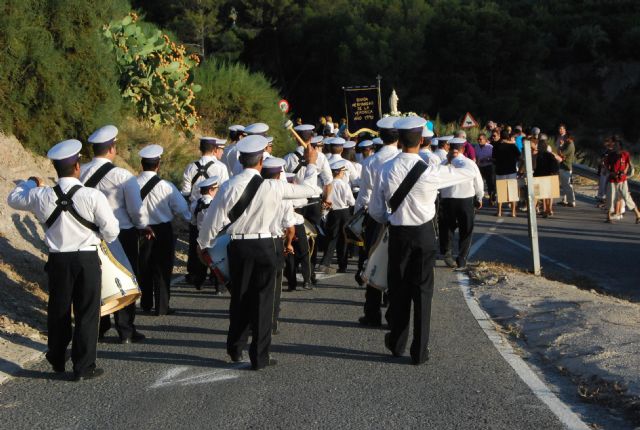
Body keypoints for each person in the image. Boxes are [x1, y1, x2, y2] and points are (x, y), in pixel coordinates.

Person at [198, 135, 321, 370]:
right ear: (261, 162)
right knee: (264, 301)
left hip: (239, 246)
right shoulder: (273, 186)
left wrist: (203, 244)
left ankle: (235, 348)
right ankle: (260, 357)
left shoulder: (228, 185)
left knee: (240, 298)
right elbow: (310, 189)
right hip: (267, 245)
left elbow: (213, 220)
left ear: (241, 160)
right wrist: (311, 163)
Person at [368, 116, 478, 364]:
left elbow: (375, 211)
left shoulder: (385, 169)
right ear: (421, 140)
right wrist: (456, 156)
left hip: (398, 234)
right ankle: (419, 351)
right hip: (425, 234)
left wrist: (389, 215)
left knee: (398, 290)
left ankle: (397, 343)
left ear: (399, 139)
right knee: (423, 292)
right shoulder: (431, 170)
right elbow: (469, 172)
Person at [8, 139, 119, 381]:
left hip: (58, 260)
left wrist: (30, 182)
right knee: (87, 313)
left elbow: (13, 199)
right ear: (77, 166)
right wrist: (100, 237)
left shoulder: (40, 195)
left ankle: (57, 357)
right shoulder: (92, 195)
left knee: (58, 309)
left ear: (56, 169)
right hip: (87, 259)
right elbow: (112, 230)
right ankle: (83, 366)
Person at [80, 125, 148, 344]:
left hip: (90, 234)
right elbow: (136, 209)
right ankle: (126, 329)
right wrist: (142, 226)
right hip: (122, 233)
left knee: (96, 280)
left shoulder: (80, 172)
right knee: (125, 278)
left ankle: (99, 327)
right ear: (111, 148)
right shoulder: (122, 175)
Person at [354, 116, 400, 327]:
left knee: (372, 262)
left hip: (375, 217)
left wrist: (360, 217)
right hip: (398, 217)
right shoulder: (401, 158)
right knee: (395, 265)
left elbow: (365, 194)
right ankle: (393, 312)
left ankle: (372, 313)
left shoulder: (370, 161)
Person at [137, 145, 191, 315]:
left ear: (141, 164)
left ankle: (145, 303)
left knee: (143, 266)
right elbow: (181, 207)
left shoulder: (132, 184)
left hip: (141, 229)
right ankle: (162, 306)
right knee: (163, 268)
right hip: (163, 229)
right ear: (158, 164)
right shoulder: (166, 186)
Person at [284, 125, 333, 281]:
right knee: (313, 238)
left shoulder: (288, 158)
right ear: (311, 138)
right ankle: (309, 274)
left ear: (294, 137)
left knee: (294, 238)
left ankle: (291, 274)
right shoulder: (321, 157)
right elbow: (328, 181)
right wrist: (326, 199)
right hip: (313, 202)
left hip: (295, 203)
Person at [182, 137, 229, 286]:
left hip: (196, 210)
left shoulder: (190, 167)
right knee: (215, 245)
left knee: (196, 244)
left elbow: (185, 192)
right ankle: (216, 277)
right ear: (215, 149)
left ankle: (197, 276)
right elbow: (226, 190)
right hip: (215, 212)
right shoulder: (221, 167)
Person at [439, 138, 484, 269]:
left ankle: (447, 254)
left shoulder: (443, 164)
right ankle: (462, 258)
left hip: (448, 200)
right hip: (466, 200)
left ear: (449, 148)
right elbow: (478, 182)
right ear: (463, 149)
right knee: (466, 230)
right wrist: (479, 197)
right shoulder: (470, 163)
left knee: (447, 228)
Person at [319, 159, 355, 273]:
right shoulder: (344, 185)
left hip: (332, 212)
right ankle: (342, 265)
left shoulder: (328, 185)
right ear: (340, 172)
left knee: (332, 238)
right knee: (344, 240)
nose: (344, 173)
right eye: (343, 171)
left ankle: (325, 262)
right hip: (344, 212)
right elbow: (352, 202)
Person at [283, 173, 313, 292]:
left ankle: (292, 283)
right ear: (293, 182)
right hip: (297, 225)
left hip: (284, 226)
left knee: (290, 255)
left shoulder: (280, 192)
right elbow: (305, 200)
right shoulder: (297, 193)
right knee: (304, 254)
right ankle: (307, 281)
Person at [189, 176, 220, 291]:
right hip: (212, 235)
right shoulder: (214, 204)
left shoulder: (195, 204)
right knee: (215, 259)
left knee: (201, 259)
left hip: (199, 234)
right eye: (217, 188)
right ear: (211, 190)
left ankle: (199, 281)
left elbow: (192, 220)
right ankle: (217, 285)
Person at [604, 140, 640, 224]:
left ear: (620, 146)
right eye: (614, 145)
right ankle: (608, 217)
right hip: (612, 179)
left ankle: (638, 215)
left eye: (616, 145)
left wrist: (625, 172)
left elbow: (628, 164)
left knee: (626, 197)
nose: (615, 146)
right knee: (610, 197)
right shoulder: (611, 155)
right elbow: (606, 165)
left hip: (622, 180)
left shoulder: (625, 154)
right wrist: (611, 173)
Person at [492, 130, 521, 217]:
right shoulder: (512, 146)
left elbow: (493, 158)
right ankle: (513, 212)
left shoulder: (496, 145)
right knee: (512, 192)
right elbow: (519, 156)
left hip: (500, 171)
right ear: (508, 136)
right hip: (511, 170)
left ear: (500, 136)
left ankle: (499, 212)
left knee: (501, 192)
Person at [533, 139, 560, 217]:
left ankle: (538, 210)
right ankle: (548, 210)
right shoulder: (550, 155)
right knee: (548, 195)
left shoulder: (537, 155)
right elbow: (556, 165)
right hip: (548, 176)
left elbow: (534, 166)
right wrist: (553, 173)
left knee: (537, 195)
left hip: (538, 177)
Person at [556, 132, 576, 207]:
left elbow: (561, 153)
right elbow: (560, 153)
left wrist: (560, 147)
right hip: (563, 166)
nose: (565, 139)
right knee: (565, 185)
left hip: (566, 167)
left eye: (566, 137)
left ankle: (572, 201)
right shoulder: (567, 144)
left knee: (568, 185)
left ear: (570, 138)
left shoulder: (570, 145)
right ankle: (567, 200)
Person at [474, 133, 495, 204]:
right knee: (479, 182)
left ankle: (492, 198)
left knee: (490, 183)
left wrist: (487, 159)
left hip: (488, 166)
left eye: (480, 139)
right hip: (480, 167)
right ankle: (479, 199)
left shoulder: (490, 147)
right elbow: (476, 156)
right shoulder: (476, 147)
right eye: (478, 139)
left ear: (485, 140)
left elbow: (494, 158)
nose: (479, 140)